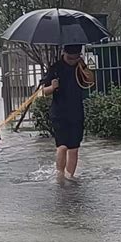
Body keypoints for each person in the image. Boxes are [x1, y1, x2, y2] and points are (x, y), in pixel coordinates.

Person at [42, 44, 93, 180]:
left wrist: (83, 65)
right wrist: (52, 87)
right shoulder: (55, 68)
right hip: (59, 112)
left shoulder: (80, 68)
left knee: (74, 148)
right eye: (70, 58)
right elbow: (42, 92)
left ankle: (70, 177)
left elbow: (90, 81)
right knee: (62, 146)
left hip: (76, 112)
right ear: (64, 53)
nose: (72, 60)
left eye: (75, 58)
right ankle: (59, 176)